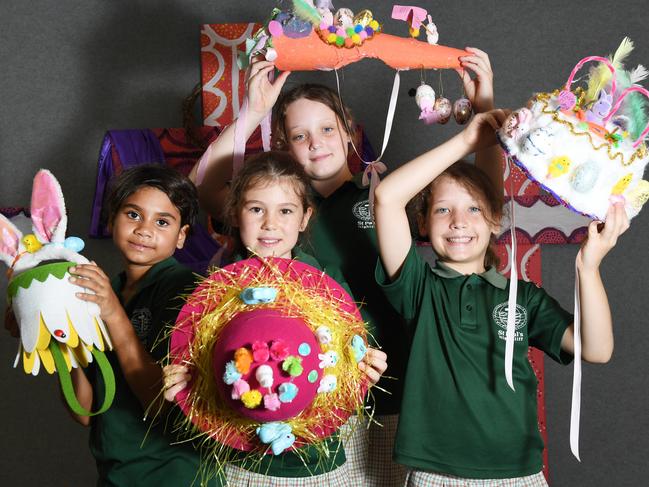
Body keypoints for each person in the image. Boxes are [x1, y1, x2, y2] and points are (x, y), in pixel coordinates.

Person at [189, 48, 499, 486]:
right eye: (299, 136)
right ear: (283, 145)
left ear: (350, 131)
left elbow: (485, 201)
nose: (315, 143)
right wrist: (253, 111)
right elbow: (203, 192)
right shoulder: (280, 213)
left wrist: (484, 112)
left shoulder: (385, 196)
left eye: (327, 129)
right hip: (314, 393)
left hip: (392, 390)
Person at [372, 109, 629, 486]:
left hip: (518, 473)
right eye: (443, 210)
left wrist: (588, 268)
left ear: (495, 221)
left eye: (473, 209)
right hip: (436, 473)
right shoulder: (419, 288)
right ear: (423, 224)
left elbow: (597, 349)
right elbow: (387, 197)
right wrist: (466, 142)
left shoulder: (523, 297)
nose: (458, 221)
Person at [164, 151, 388, 485]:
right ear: (236, 214)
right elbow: (200, 373)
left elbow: (346, 365)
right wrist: (182, 383)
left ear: (304, 218)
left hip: (322, 463)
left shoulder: (326, 284)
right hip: (246, 468)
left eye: (285, 211)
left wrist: (365, 371)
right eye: (256, 209)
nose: (270, 223)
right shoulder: (216, 290)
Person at [67, 164, 224, 486]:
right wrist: (60, 336)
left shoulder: (188, 290)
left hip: (176, 475)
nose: (144, 229)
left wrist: (113, 315)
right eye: (133, 215)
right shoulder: (105, 291)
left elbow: (160, 406)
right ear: (111, 218)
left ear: (181, 237)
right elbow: (84, 412)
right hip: (116, 475)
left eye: (162, 221)